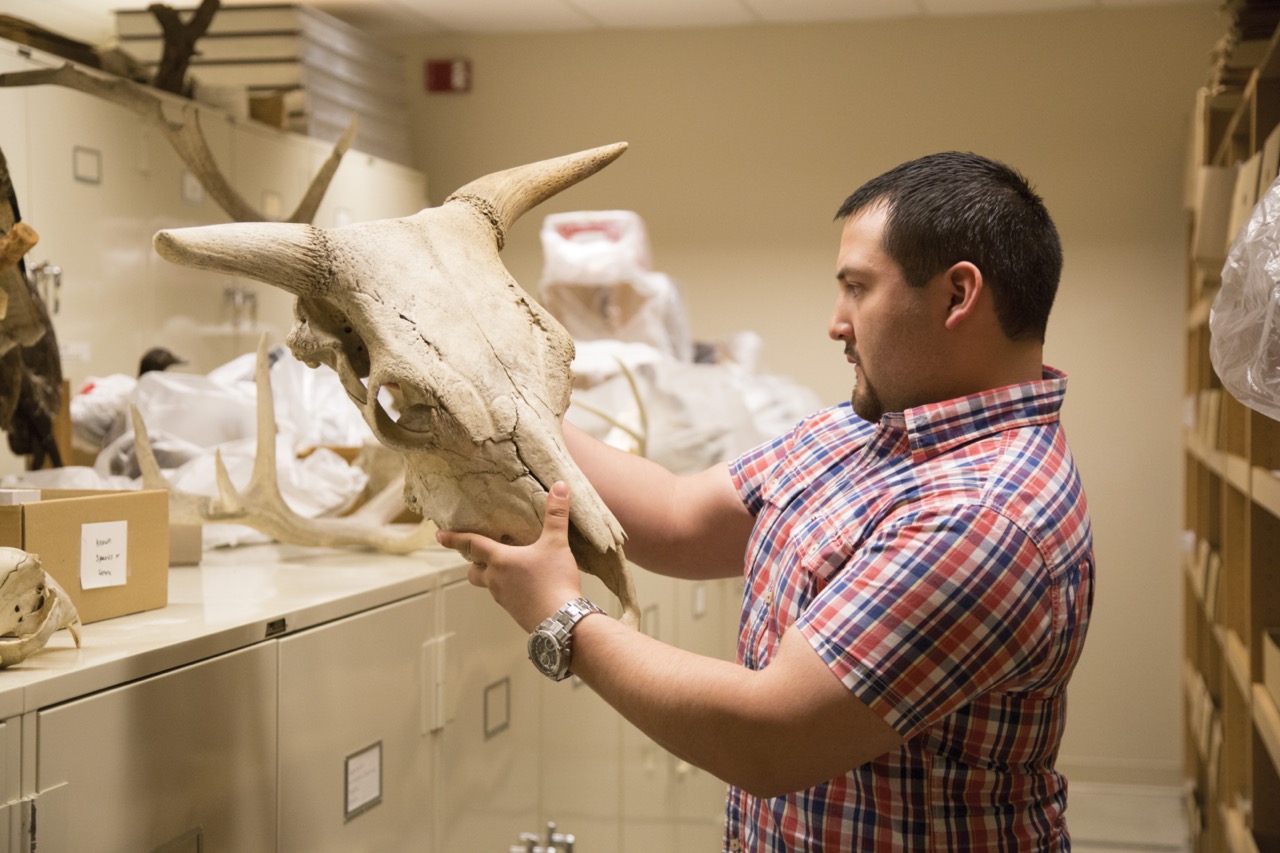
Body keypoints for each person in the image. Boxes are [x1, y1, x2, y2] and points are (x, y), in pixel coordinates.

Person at [437, 151, 1095, 851]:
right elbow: (679, 517)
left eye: (857, 287)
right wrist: (493, 403)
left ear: (958, 295)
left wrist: (560, 617)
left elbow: (770, 737)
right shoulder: (864, 430)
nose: (836, 322)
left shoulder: (982, 515)